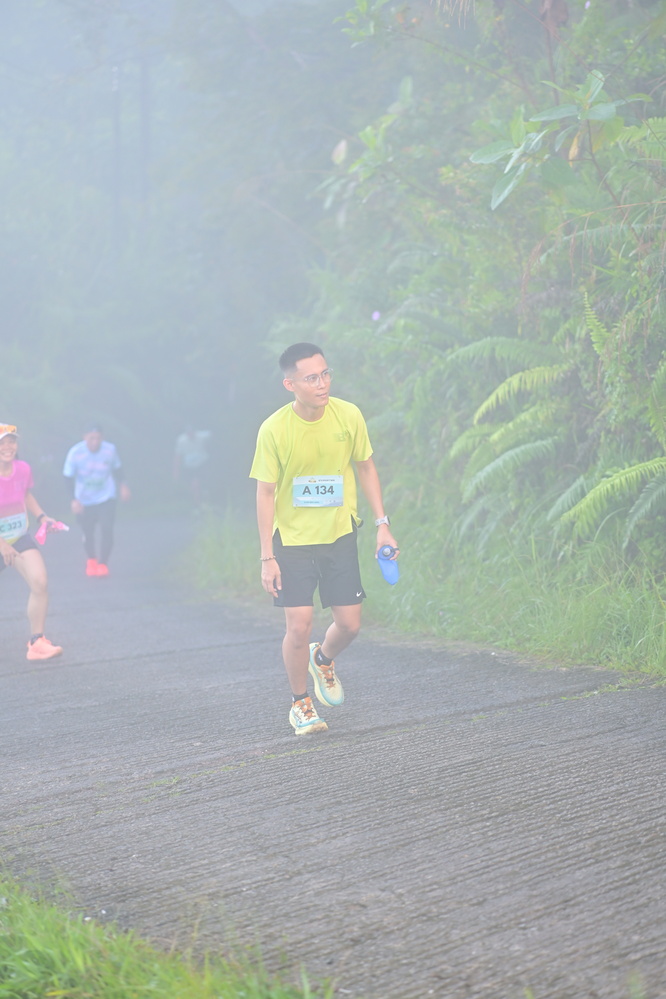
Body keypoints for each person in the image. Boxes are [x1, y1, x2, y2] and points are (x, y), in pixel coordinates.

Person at [249, 342, 399, 735]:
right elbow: (265, 493)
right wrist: (267, 557)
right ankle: (301, 704)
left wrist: (382, 523)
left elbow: (366, 467)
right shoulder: (274, 429)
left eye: (326, 374)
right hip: (292, 541)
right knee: (299, 625)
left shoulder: (348, 415)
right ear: (290, 384)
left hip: (338, 534)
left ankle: (323, 659)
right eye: (311, 378)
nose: (322, 383)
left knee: (349, 625)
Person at [0, 424, 63, 661]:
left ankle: (37, 643)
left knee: (40, 581)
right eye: (2, 442)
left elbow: (25, 494)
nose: (8, 447)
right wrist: (2, 544)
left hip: (18, 537)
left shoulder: (23, 469)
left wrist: (42, 517)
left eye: (11, 441)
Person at [63, 425, 130, 577]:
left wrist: (124, 485)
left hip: (106, 497)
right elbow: (68, 477)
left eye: (98, 438)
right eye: (91, 438)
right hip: (84, 499)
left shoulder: (110, 450)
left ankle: (103, 563)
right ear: (84, 437)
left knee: (107, 528)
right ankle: (92, 559)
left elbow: (118, 469)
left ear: (102, 438)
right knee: (88, 531)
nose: (95, 442)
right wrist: (73, 500)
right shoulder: (75, 453)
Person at [173, 426, 211, 507]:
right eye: (189, 433)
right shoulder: (181, 440)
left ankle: (204, 499)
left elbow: (211, 434)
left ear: (195, 432)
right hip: (190, 466)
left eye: (192, 433)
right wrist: (176, 470)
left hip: (202, 463)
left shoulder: (201, 436)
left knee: (201, 482)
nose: (191, 435)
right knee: (194, 484)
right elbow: (178, 455)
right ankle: (196, 502)